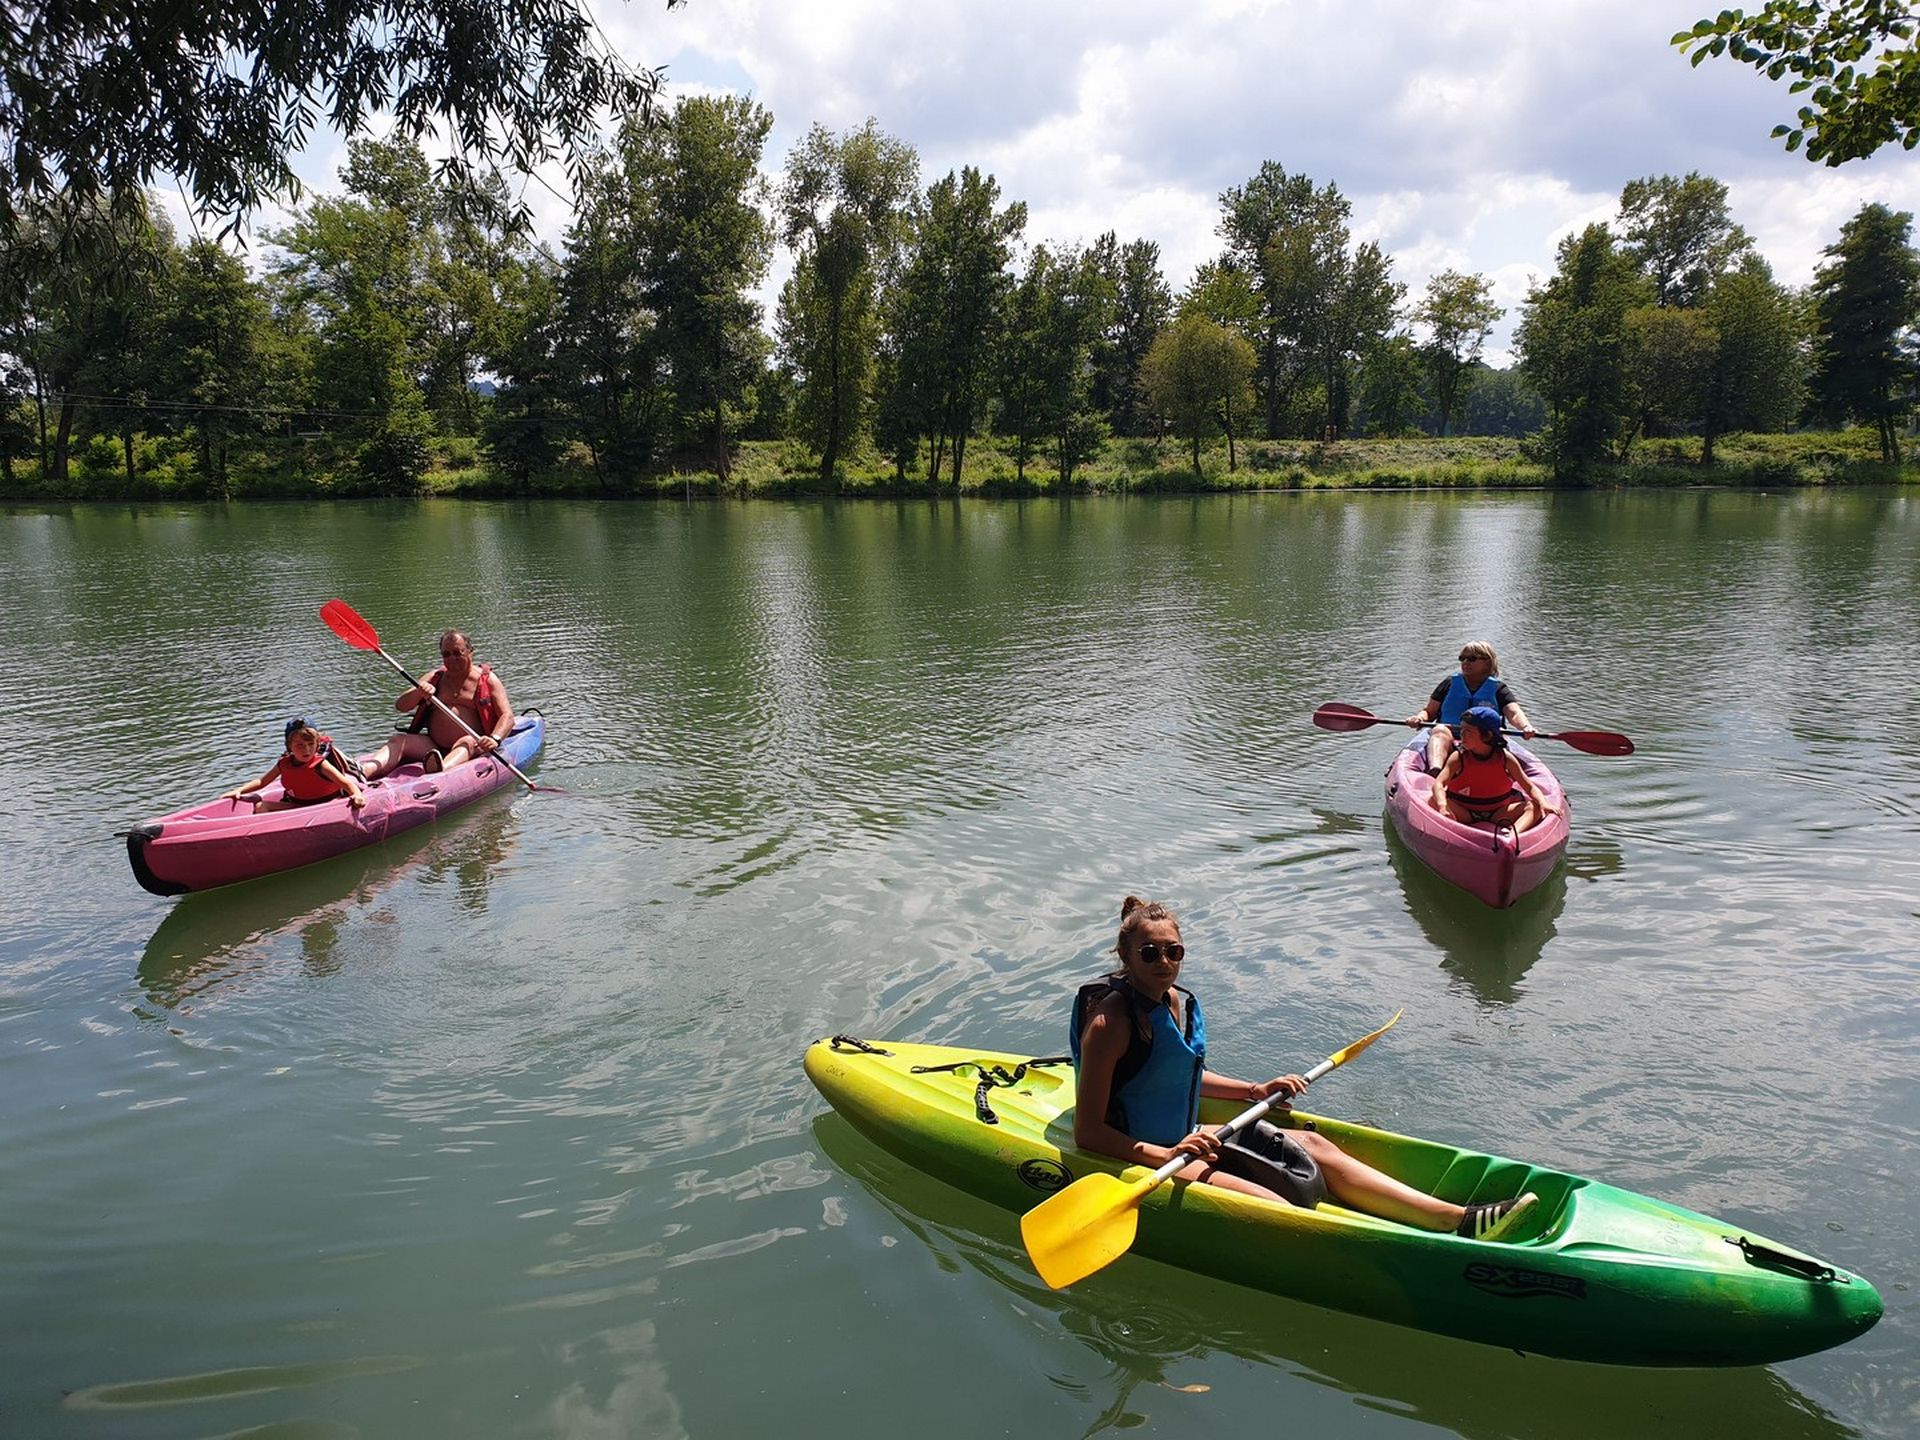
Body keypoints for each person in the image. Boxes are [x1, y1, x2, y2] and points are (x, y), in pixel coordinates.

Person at [1071, 896, 1536, 1240]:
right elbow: (1088, 1132)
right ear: (1126, 956)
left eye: (1174, 951)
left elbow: (1173, 1075)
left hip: (1189, 1136)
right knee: (1272, 1207)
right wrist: (1165, 1154)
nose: (1165, 962)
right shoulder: (1110, 1024)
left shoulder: (1178, 1003)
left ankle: (1455, 1219)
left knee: (1312, 1143)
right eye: (1150, 953)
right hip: (1143, 1151)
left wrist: (1255, 1089)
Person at [363, 630, 513, 777]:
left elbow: (507, 716)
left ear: (470, 651)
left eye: (457, 653)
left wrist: (494, 738)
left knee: (467, 741)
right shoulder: (435, 677)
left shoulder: (488, 680)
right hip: (433, 746)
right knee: (399, 739)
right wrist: (419, 692)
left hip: (472, 744)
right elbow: (401, 706)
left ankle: (442, 769)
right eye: (446, 654)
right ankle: (365, 770)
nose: (452, 659)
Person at [1405, 639, 1536, 775]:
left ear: (1487, 662)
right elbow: (1429, 711)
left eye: (1472, 658)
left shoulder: (1498, 689)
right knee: (1439, 730)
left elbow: (1514, 712)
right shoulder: (1449, 683)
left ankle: (1501, 776)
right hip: (1450, 732)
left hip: (1485, 737)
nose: (1465, 662)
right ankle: (1436, 771)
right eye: (1462, 658)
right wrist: (1419, 718)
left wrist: (1525, 727)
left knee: (1498, 737)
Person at [1430, 706, 1559, 834]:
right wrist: (1442, 805)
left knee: (1534, 806)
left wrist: (1543, 802)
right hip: (1463, 811)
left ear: (1487, 735)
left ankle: (1513, 836)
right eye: (1461, 729)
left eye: (1468, 731)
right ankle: (1452, 828)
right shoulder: (1458, 757)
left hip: (1498, 813)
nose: (1462, 735)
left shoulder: (1506, 758)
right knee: (1433, 800)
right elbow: (1439, 784)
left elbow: (1530, 787)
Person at [223, 719, 368, 811]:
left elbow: (348, 785)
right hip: (298, 806)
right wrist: (240, 790)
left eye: (311, 744)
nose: (306, 750)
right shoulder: (283, 764)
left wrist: (356, 795)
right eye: (299, 745)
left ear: (317, 745)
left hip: (326, 805)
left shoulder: (321, 764)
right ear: (289, 747)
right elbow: (262, 781)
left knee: (366, 772)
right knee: (262, 806)